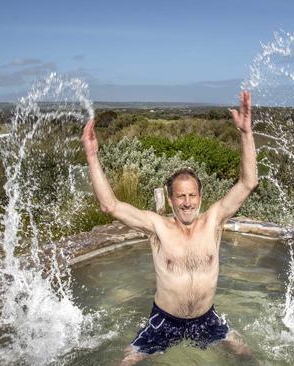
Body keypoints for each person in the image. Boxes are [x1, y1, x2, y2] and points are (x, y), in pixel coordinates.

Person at [81, 91, 257, 365]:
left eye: (192, 195)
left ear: (200, 196)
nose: (187, 203)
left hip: (206, 319)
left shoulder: (214, 220)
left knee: (247, 355)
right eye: (180, 196)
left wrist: (245, 133)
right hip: (163, 322)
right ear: (171, 198)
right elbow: (110, 206)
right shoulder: (156, 227)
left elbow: (247, 183)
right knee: (126, 362)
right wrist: (92, 156)